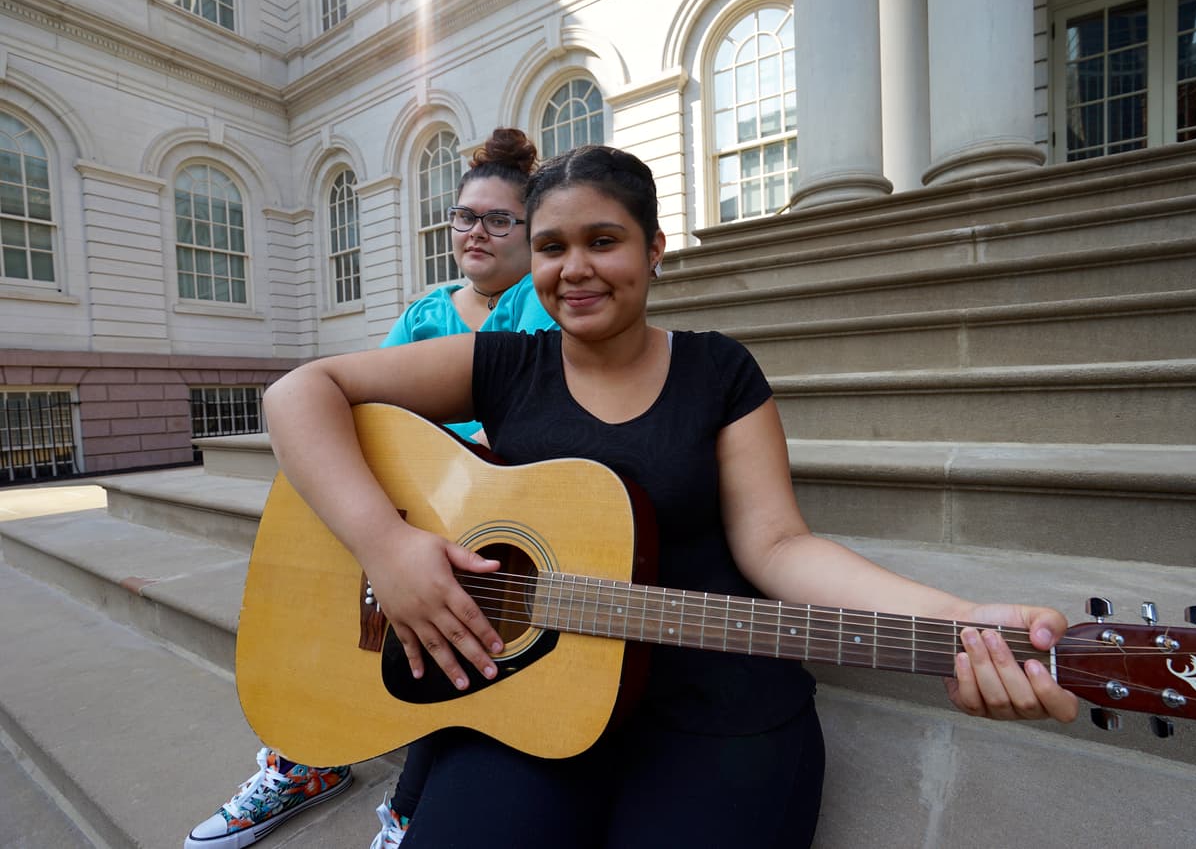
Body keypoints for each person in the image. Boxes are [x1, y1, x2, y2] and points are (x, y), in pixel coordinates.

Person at [258, 145, 1081, 849]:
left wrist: (961, 622)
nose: (573, 268)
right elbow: (300, 392)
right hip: (529, 700)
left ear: (655, 250)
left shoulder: (719, 370)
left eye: (602, 240)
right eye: (550, 247)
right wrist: (387, 546)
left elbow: (780, 546)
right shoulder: (502, 362)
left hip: (714, 705)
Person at [184, 127, 555, 849]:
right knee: (333, 548)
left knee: (443, 624)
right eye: (464, 216)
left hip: (499, 523)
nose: (475, 232)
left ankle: (410, 807)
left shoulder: (548, 304)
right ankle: (305, 759)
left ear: (531, 230)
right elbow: (362, 418)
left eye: (498, 219)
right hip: (418, 508)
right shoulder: (425, 313)